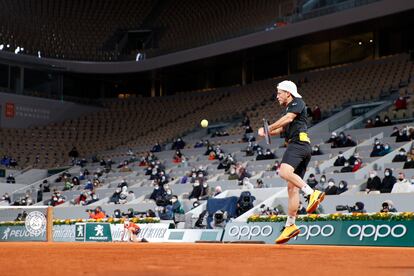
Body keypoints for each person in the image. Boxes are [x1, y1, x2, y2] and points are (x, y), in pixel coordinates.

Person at [257, 80, 324, 244]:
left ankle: (311, 193)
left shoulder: (297, 102)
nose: (277, 96)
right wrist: (266, 132)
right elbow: (282, 128)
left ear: (288, 93)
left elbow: (287, 119)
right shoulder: (292, 111)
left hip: (298, 145)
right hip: (303, 148)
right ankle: (291, 225)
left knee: (284, 172)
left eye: (279, 92)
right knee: (292, 189)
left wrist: (269, 128)